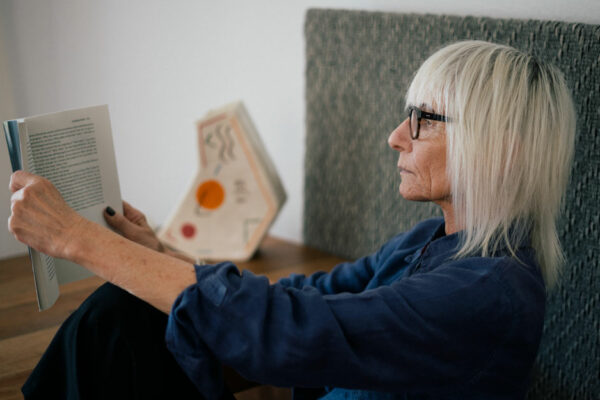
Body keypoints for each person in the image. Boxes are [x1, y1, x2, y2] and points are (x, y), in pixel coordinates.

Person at [8, 40, 575, 399]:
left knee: (119, 317)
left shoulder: (487, 293)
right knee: (125, 311)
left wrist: (75, 238)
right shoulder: (431, 240)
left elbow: (288, 333)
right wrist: (167, 260)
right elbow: (311, 296)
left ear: (504, 150)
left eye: (424, 119)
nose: (396, 136)